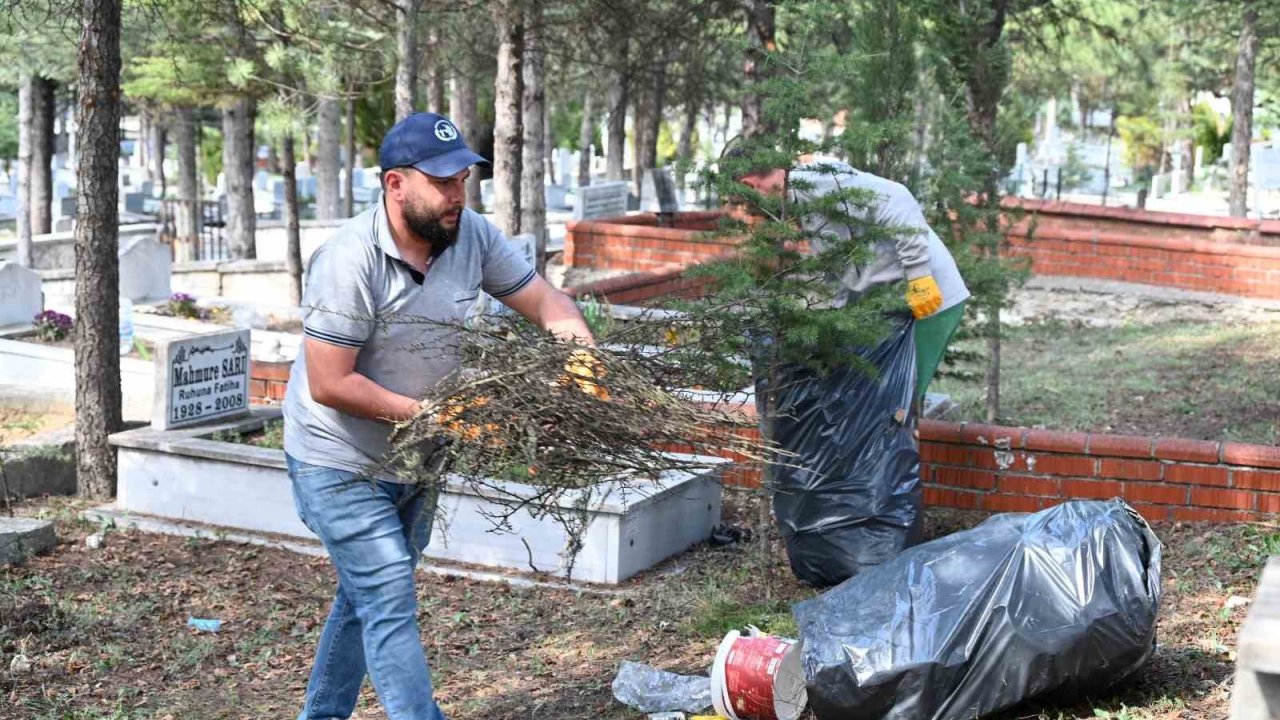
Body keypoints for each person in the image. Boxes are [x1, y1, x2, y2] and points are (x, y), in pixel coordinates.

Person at [281, 111, 597, 720]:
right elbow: (329, 382)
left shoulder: (470, 234)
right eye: (443, 182)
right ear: (396, 184)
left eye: (463, 180)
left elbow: (546, 300)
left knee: (367, 597)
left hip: (416, 458)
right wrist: (441, 416)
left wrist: (580, 356)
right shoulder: (349, 260)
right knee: (389, 595)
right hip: (338, 459)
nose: (458, 195)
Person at [730, 156, 969, 397]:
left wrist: (919, 275)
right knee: (877, 398)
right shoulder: (800, 200)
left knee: (897, 399)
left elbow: (897, 197)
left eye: (748, 203)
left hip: (930, 299)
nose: (755, 211)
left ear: (750, 185)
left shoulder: (816, 181)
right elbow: (839, 264)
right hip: (897, 304)